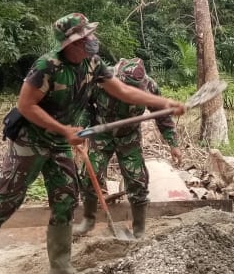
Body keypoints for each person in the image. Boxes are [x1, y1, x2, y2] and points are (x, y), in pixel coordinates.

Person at [0, 13, 185, 274]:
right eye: (85, 37)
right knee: (7, 198)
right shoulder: (47, 66)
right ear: (70, 43)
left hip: (58, 143)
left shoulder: (92, 64)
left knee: (66, 198)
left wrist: (164, 102)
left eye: (91, 35)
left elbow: (125, 93)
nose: (92, 41)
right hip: (30, 141)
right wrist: (65, 129)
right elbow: (26, 106)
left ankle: (60, 264)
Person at [73, 57, 182, 239]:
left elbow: (162, 116)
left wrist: (173, 144)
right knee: (90, 178)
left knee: (137, 181)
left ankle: (139, 229)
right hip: (102, 135)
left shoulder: (149, 87)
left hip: (128, 138)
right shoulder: (101, 81)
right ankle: (87, 222)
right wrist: (80, 128)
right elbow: (85, 106)